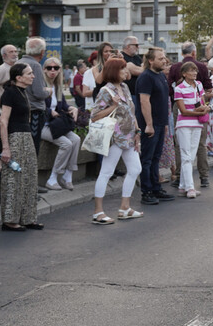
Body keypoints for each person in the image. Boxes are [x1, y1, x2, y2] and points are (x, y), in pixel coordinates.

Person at [89, 58, 144, 224]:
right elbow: (94, 115)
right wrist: (112, 107)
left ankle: (125, 207)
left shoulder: (125, 87)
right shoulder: (106, 91)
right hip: (114, 137)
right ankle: (98, 212)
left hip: (128, 136)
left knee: (135, 169)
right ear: (114, 71)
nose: (126, 72)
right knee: (106, 172)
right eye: (122, 69)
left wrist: (137, 131)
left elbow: (131, 112)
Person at [0, 63, 42, 231]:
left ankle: (28, 217)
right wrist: (6, 148)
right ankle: (10, 220)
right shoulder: (10, 93)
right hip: (14, 138)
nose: (33, 76)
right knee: (14, 178)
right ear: (19, 77)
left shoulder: (22, 92)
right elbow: (4, 121)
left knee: (29, 176)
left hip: (26, 136)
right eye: (29, 73)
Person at [135, 47, 174, 206]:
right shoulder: (146, 77)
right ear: (151, 60)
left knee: (156, 158)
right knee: (147, 159)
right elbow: (144, 102)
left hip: (160, 123)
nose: (164, 61)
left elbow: (162, 101)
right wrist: (149, 125)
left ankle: (156, 188)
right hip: (149, 125)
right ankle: (147, 191)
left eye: (164, 58)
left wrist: (164, 123)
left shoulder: (160, 76)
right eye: (160, 58)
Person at [40, 59, 82, 191]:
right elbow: (34, 105)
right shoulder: (40, 85)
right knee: (66, 143)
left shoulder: (57, 87)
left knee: (76, 139)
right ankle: (53, 177)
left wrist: (72, 108)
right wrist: (49, 111)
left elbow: (63, 105)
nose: (53, 70)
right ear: (44, 69)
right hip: (42, 124)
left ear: (60, 70)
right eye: (49, 68)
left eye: (56, 68)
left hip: (55, 124)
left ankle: (68, 175)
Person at [172, 62, 209, 198]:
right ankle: (190, 187)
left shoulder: (199, 85)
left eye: (195, 71)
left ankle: (183, 185)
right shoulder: (179, 89)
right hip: (184, 125)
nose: (194, 73)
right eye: (191, 71)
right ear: (184, 73)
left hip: (197, 124)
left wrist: (205, 108)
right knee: (186, 155)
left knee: (191, 155)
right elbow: (183, 111)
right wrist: (199, 112)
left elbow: (203, 103)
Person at [19, 38, 51, 152]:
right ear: (42, 52)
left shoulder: (18, 63)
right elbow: (39, 93)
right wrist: (49, 91)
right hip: (34, 112)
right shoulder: (35, 66)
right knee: (33, 147)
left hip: (21, 111)